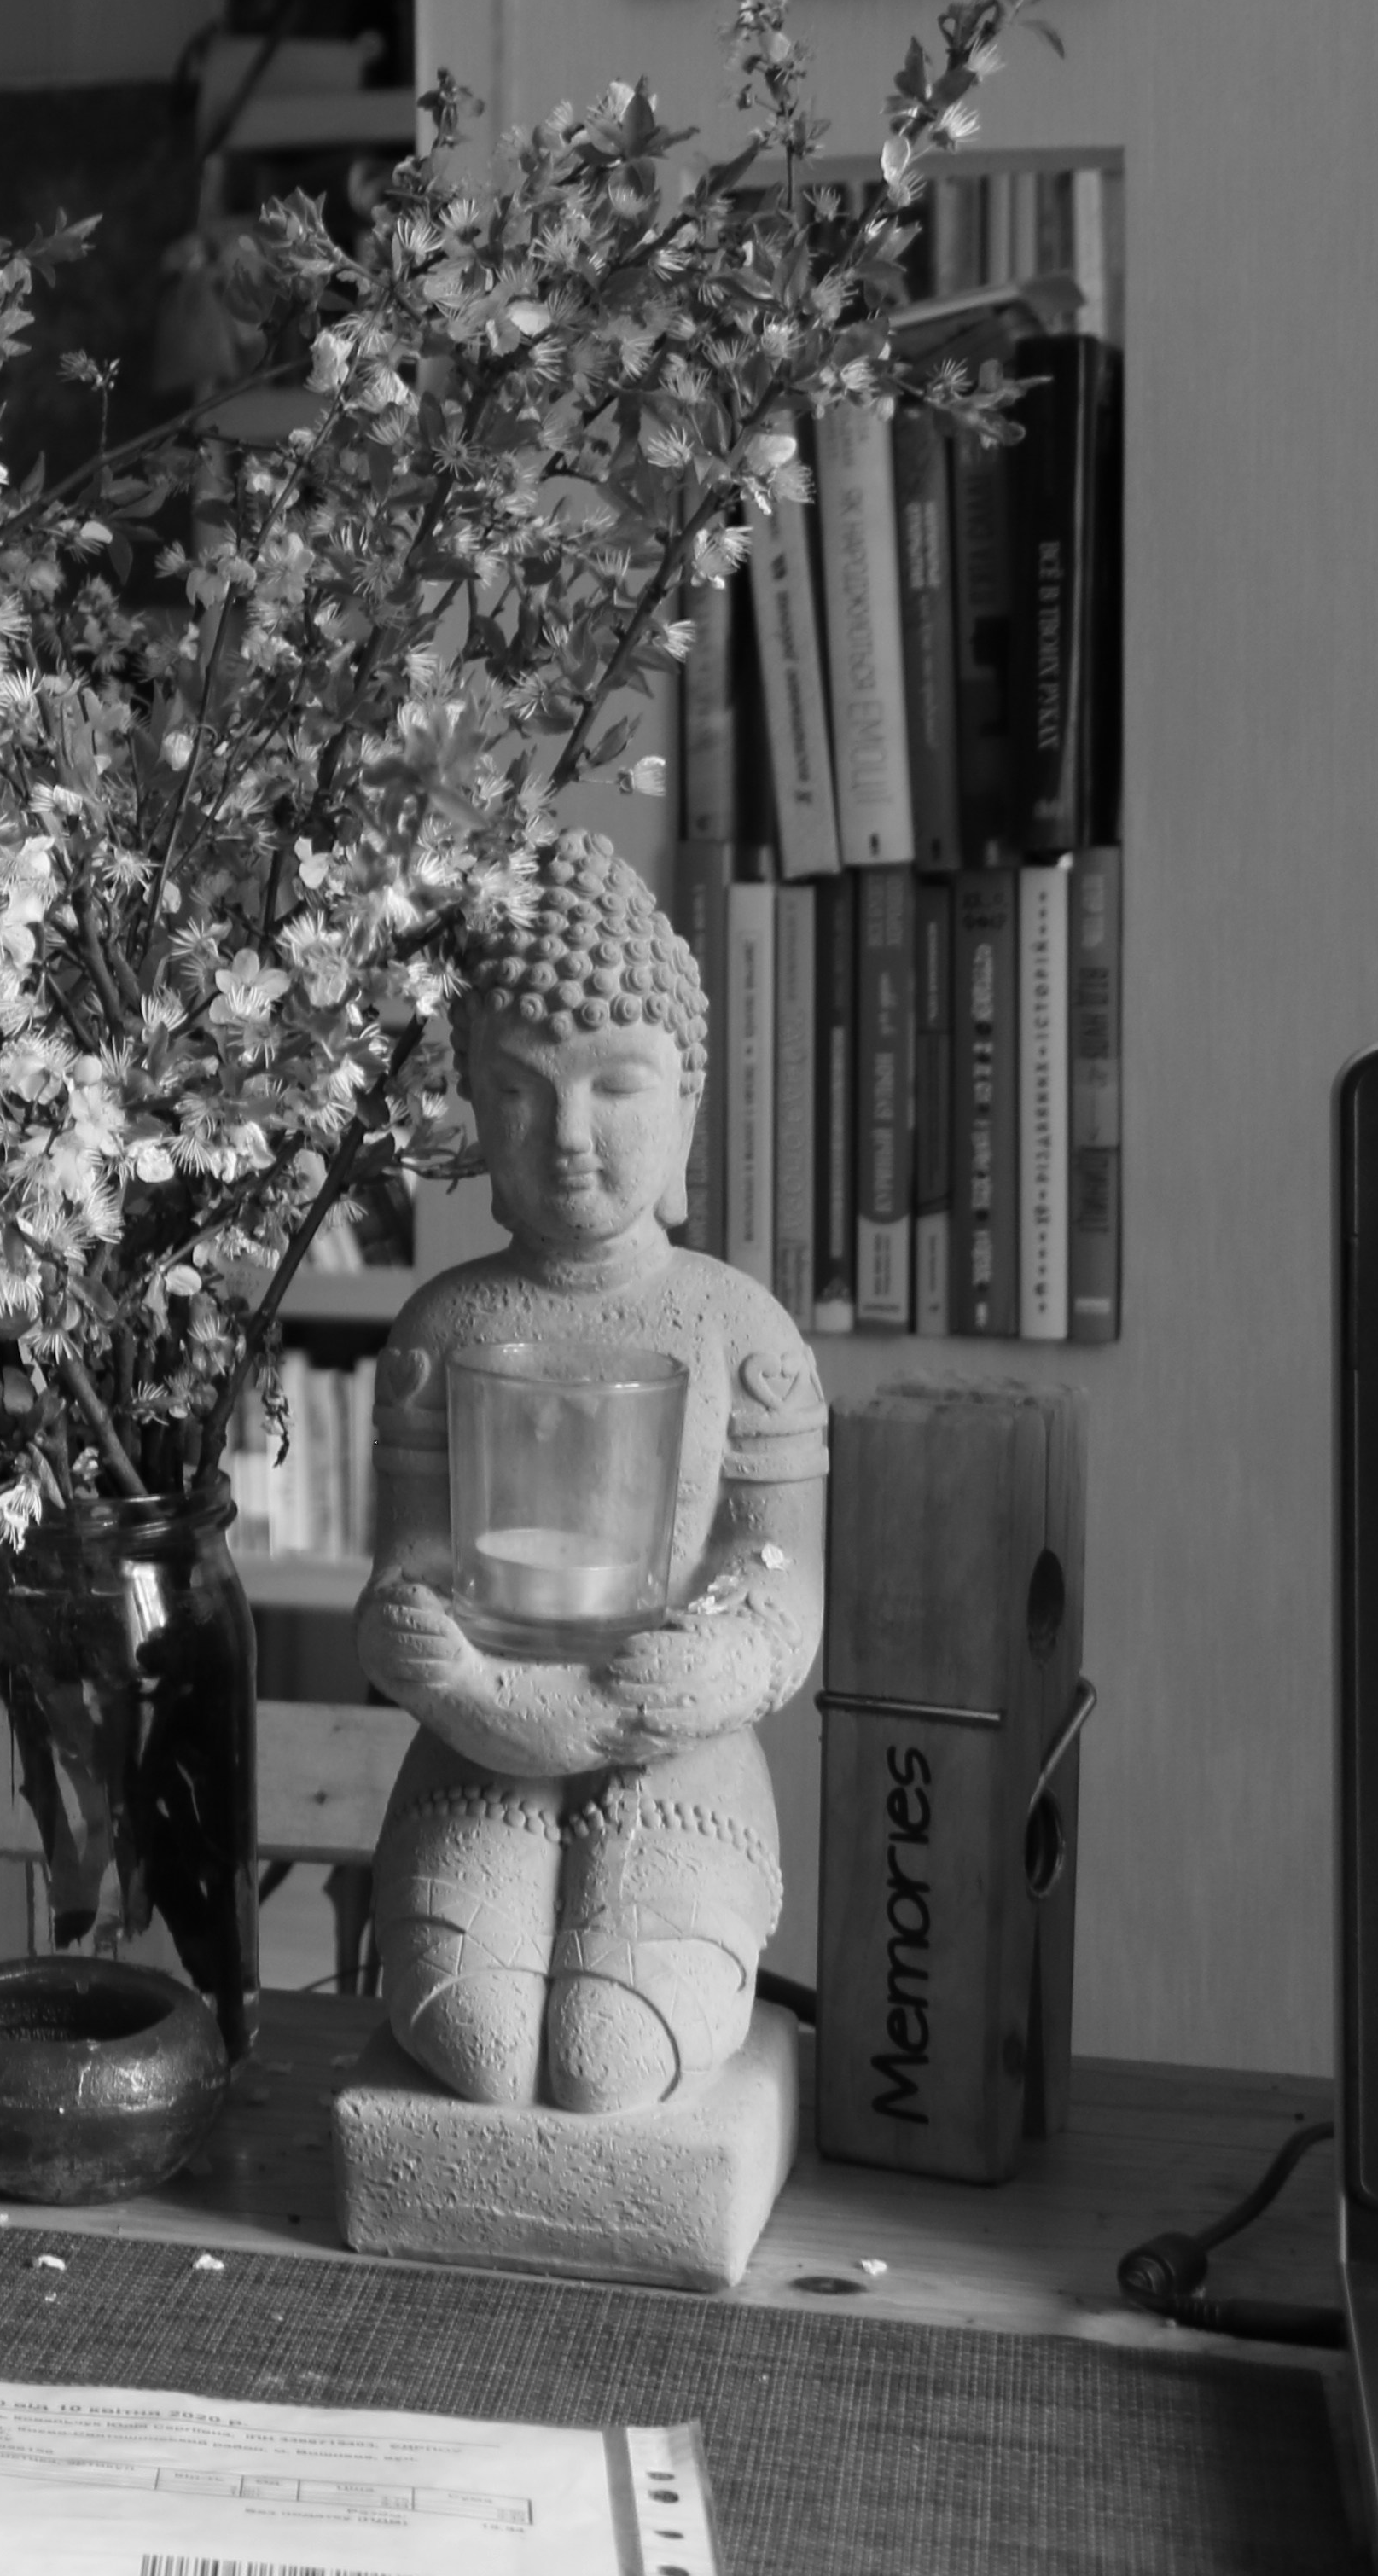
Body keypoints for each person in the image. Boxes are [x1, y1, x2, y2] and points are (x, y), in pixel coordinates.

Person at [357, 833, 828, 2114]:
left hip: (677, 1760)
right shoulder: (445, 1331)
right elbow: (405, 1582)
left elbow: (780, 1586)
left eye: (618, 1087)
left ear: (687, 1108)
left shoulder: (741, 1336)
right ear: (476, 1109)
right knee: (480, 2043)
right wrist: (436, 1660)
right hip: (477, 1750)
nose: (569, 1136)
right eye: (519, 1091)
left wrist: (717, 1661)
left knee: (606, 2056)